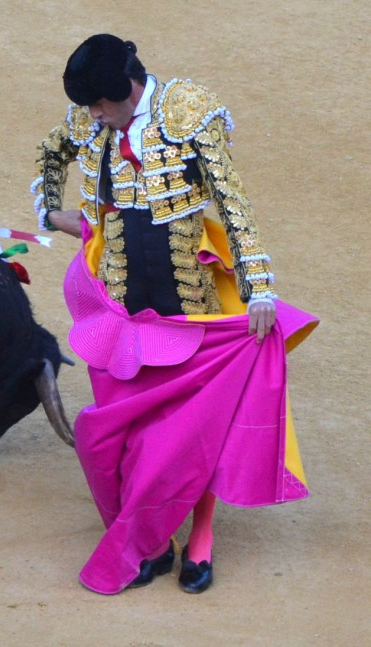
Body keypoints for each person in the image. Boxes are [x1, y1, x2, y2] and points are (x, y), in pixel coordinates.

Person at [31, 34, 317, 595]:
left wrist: (259, 289)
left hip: (188, 309)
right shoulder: (90, 122)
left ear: (128, 91)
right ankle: (153, 544)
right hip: (121, 308)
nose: (93, 116)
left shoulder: (189, 114)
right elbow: (50, 151)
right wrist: (51, 210)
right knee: (128, 433)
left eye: (101, 106)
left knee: (198, 431)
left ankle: (201, 538)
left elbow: (233, 204)